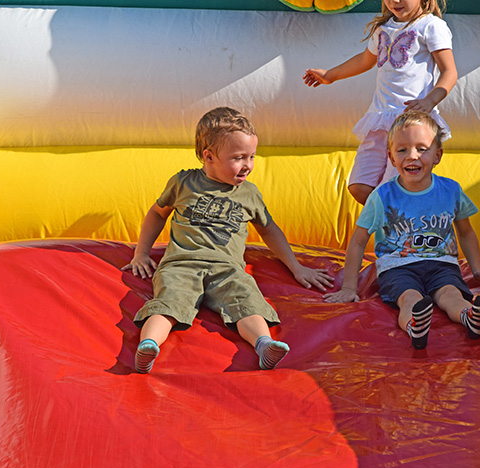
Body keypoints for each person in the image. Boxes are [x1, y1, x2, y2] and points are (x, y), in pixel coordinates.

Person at [123, 107, 334, 373]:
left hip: (228, 269)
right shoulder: (184, 182)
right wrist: (141, 253)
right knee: (170, 301)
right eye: (238, 157)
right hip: (181, 263)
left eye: (252, 156)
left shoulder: (248, 193)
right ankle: (149, 345)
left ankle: (264, 343)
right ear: (209, 156)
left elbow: (269, 230)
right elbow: (157, 213)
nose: (248, 165)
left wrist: (297, 267)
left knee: (246, 299)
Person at [323, 111, 480, 349]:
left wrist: (477, 267)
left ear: (438, 155)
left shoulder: (451, 190)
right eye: (402, 150)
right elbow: (358, 240)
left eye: (421, 149)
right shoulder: (382, 196)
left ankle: (470, 317)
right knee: (410, 297)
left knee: (450, 294)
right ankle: (415, 324)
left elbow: (465, 231)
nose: (412, 156)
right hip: (398, 266)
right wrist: (349, 287)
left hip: (442, 263)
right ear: (391, 158)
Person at [303, 0, 457, 205]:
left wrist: (430, 100)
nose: (395, 1)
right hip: (380, 119)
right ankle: (396, 219)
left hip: (410, 124)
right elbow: (365, 60)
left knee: (395, 188)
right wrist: (330, 75)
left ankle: (401, 228)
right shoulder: (383, 28)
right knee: (360, 186)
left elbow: (450, 71)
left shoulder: (430, 25)